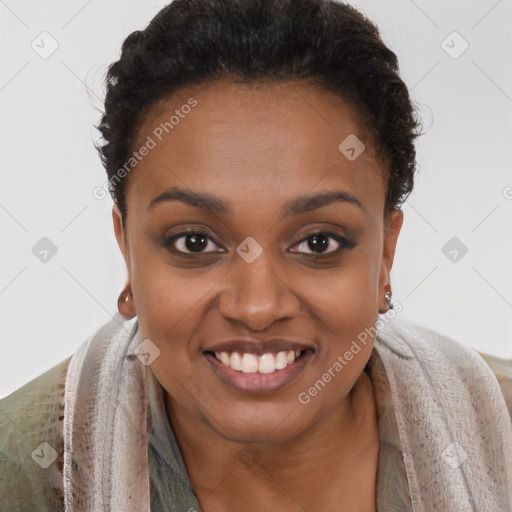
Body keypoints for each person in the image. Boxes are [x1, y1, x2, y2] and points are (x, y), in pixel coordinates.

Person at [1, 0, 511, 510]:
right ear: (127, 249)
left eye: (318, 243)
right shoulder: (22, 474)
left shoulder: (499, 437)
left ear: (385, 254)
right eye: (194, 242)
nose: (257, 307)